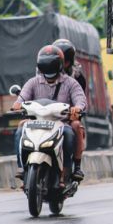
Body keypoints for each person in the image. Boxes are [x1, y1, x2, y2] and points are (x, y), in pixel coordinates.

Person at [12, 45, 86, 182]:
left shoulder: (70, 83)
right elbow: (22, 98)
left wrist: (77, 108)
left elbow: (80, 99)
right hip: (36, 122)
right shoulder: (33, 82)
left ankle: (71, 168)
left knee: (72, 130)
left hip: (62, 123)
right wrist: (18, 104)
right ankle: (21, 166)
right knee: (21, 126)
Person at [52, 38, 86, 180]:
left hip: (67, 115)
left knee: (76, 126)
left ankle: (77, 166)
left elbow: (80, 97)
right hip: (47, 114)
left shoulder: (76, 77)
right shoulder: (42, 72)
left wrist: (76, 109)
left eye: (64, 60)